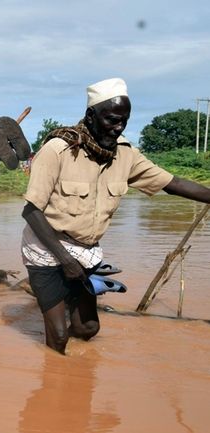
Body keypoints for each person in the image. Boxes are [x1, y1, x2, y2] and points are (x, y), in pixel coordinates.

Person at [21, 78, 210, 355]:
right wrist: (65, 259)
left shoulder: (125, 154)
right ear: (90, 116)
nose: (118, 127)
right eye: (111, 119)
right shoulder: (58, 150)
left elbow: (174, 183)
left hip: (85, 252)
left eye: (124, 121)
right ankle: (56, 376)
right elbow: (31, 211)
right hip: (46, 248)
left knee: (87, 329)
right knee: (59, 336)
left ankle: (73, 367)